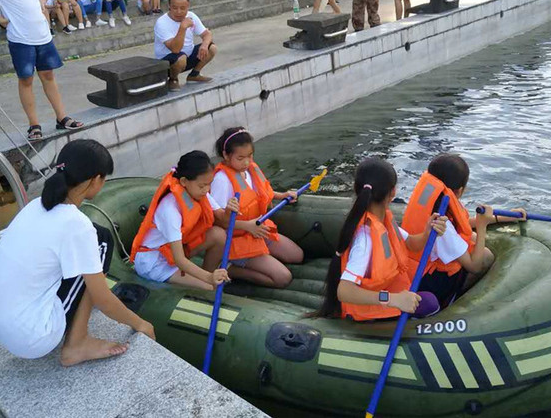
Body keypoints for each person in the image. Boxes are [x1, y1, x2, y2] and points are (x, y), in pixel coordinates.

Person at [0, 139, 155, 366]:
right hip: (32, 336)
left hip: (1, 325)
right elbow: (103, 299)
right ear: (96, 179)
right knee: (102, 245)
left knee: (100, 236)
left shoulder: (35, 206)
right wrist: (140, 324)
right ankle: (77, 344)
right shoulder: (76, 224)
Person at [313, 158, 447, 321]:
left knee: (430, 291)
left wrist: (428, 232)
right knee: (430, 303)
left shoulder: (383, 220)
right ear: (392, 193)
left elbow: (412, 243)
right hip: (370, 306)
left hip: (389, 288)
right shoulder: (365, 238)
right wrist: (392, 299)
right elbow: (344, 291)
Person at [402, 153, 526, 308]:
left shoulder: (430, 201)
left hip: (412, 270)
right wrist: (482, 226)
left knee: (472, 238)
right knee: (486, 256)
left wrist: (500, 218)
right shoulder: (443, 226)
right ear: (460, 191)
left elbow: (462, 225)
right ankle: (452, 301)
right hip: (425, 283)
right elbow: (474, 266)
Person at [0, 0, 83, 140]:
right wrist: (0, 19)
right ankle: (34, 125)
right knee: (26, 80)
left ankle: (62, 118)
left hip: (43, 36)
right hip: (20, 39)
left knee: (48, 76)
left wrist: (42, 0)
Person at [210, 127, 304, 288]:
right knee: (283, 278)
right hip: (237, 239)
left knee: (297, 256)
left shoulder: (249, 169)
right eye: (240, 158)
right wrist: (247, 226)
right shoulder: (221, 180)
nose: (247, 162)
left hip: (258, 230)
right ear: (226, 155)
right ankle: (228, 269)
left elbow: (259, 192)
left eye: (250, 156)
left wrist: (281, 195)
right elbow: (217, 221)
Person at [131, 151, 233, 290]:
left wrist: (229, 209)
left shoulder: (198, 192)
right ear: (184, 181)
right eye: (202, 186)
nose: (207, 190)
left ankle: (208, 274)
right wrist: (209, 279)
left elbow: (222, 217)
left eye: (209, 184)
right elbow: (179, 259)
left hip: (173, 250)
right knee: (209, 286)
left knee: (218, 235)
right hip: (155, 262)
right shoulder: (169, 209)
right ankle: (207, 281)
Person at [154, 0, 217, 90]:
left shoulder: (191, 16)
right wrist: (182, 27)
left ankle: (194, 74)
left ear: (188, 6)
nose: (179, 12)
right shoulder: (162, 22)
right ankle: (173, 79)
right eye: (175, 8)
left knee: (212, 48)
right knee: (181, 58)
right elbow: (175, 49)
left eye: (183, 8)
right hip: (168, 63)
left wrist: (204, 45)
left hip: (187, 57)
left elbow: (207, 34)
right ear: (169, 6)